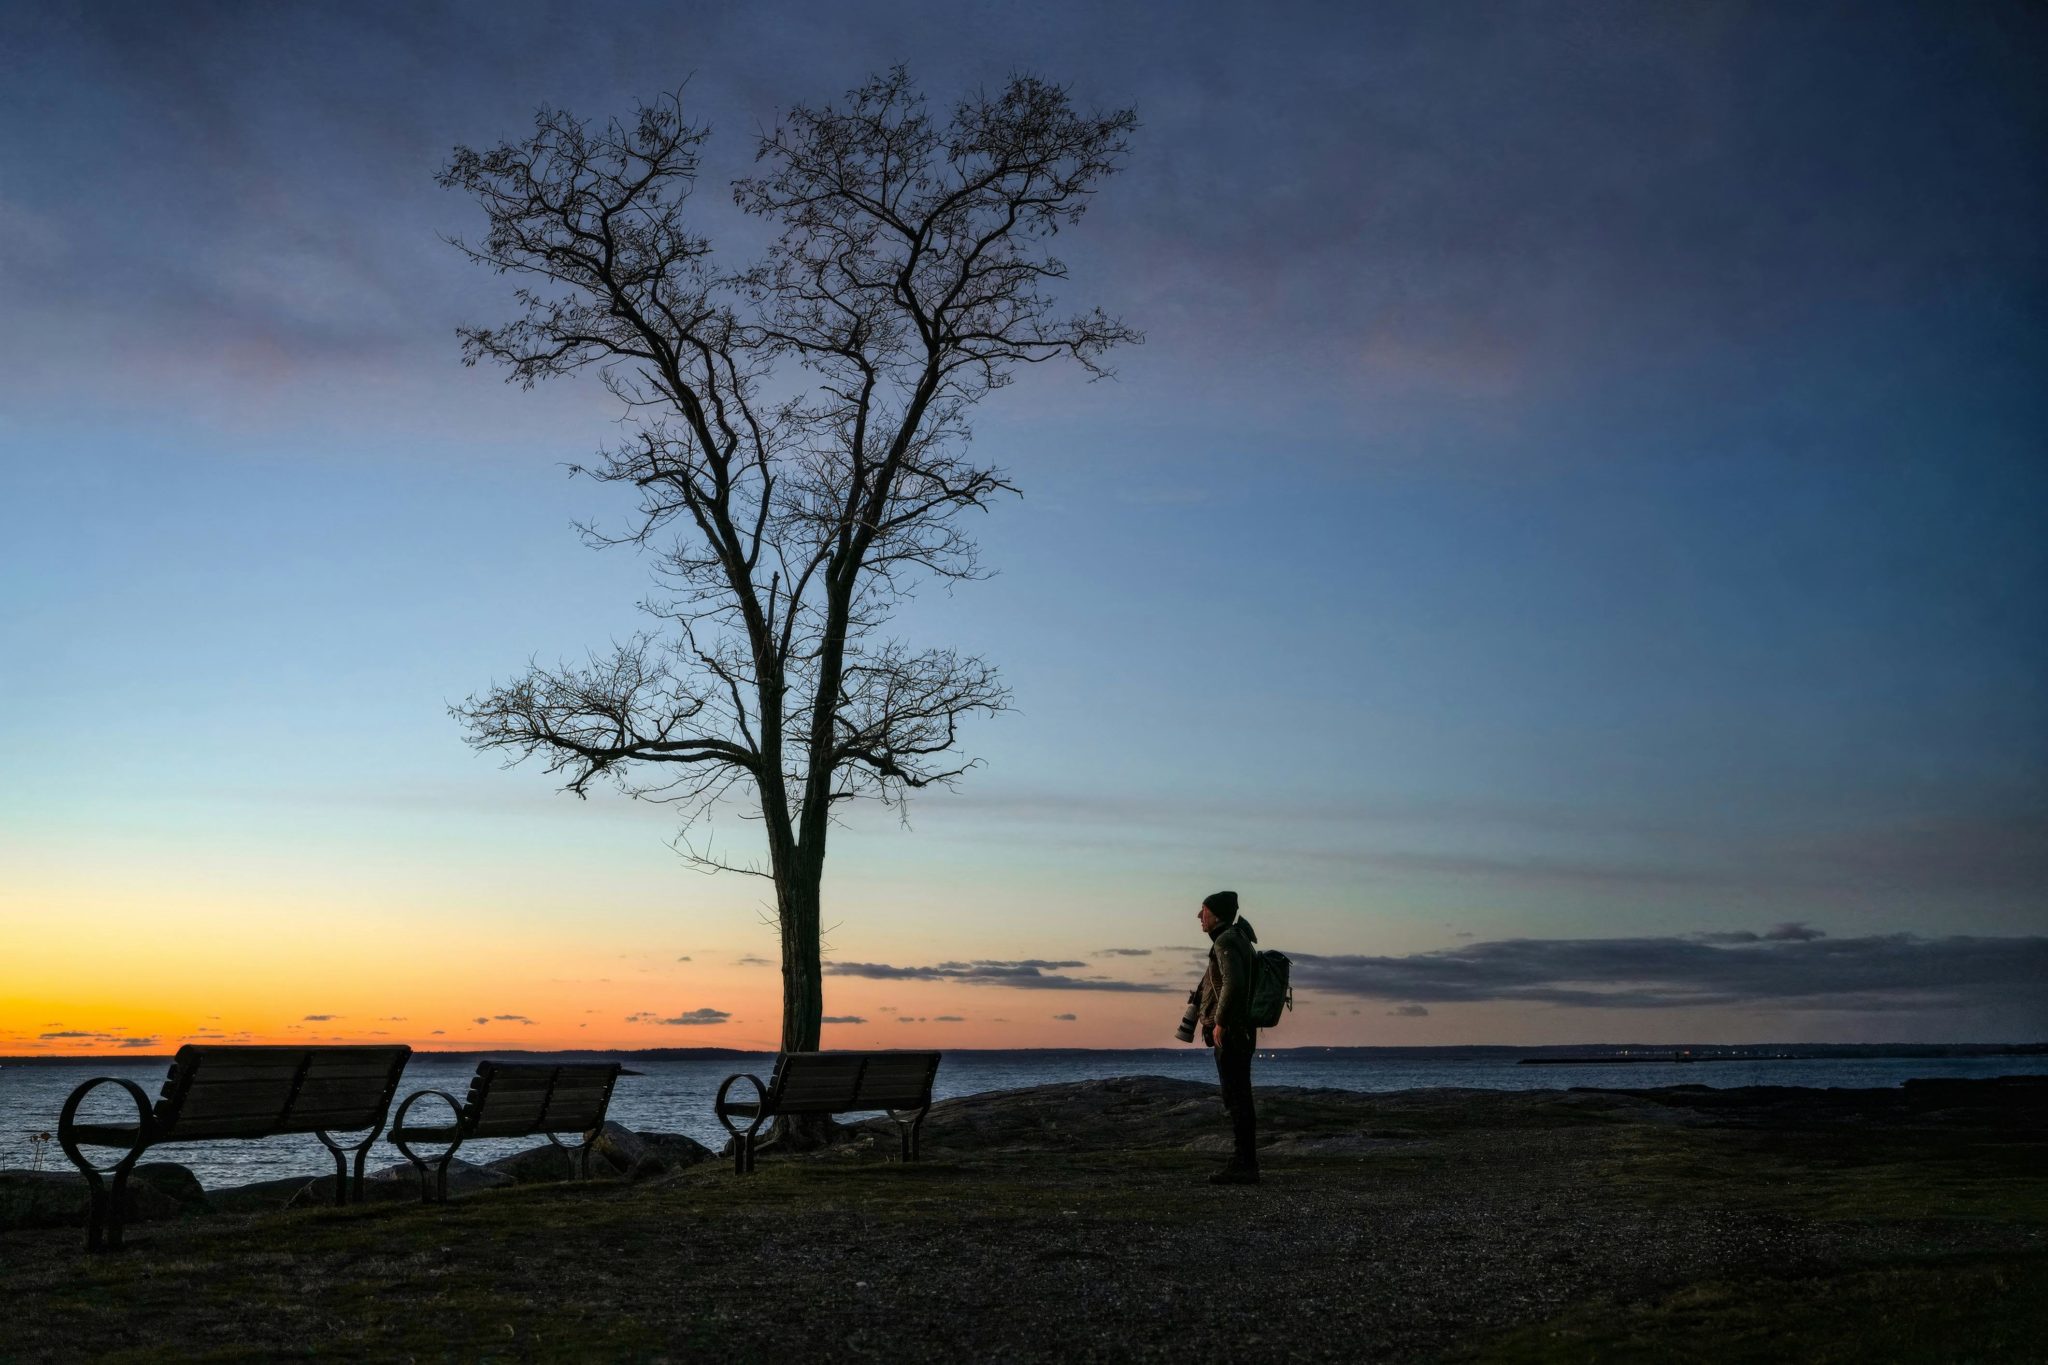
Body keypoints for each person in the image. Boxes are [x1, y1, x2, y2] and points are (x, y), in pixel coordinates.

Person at [1194, 889, 1259, 1184]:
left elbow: (1233, 983)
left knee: (1236, 1098)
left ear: (1216, 915)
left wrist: (1219, 1022)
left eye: (1203, 910)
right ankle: (1245, 1162)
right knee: (1240, 1096)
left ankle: (1243, 1165)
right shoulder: (1238, 938)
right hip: (1242, 1030)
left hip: (1232, 1032)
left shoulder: (1226, 941)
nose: (1199, 916)